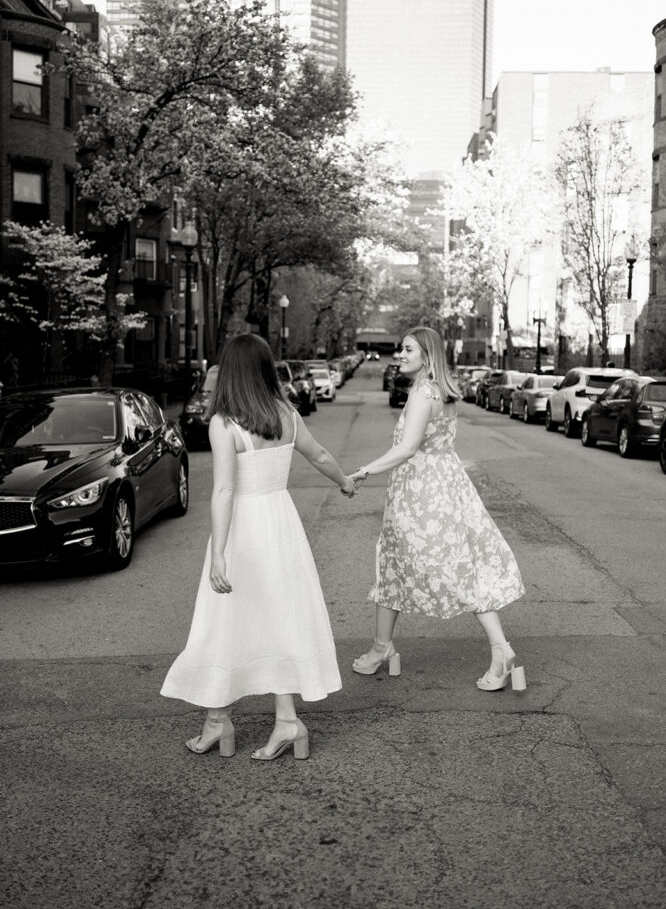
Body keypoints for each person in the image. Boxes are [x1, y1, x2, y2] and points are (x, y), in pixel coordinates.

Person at [161, 333, 357, 760]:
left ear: (229, 373)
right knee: (279, 618)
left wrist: (218, 552)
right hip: (281, 526)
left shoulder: (225, 424)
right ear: (267, 370)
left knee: (224, 621)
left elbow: (224, 490)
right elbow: (320, 455)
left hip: (244, 531)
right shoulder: (287, 414)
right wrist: (343, 481)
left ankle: (219, 722)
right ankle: (285, 720)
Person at [351, 326, 526, 692]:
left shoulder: (422, 393)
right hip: (446, 485)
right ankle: (382, 647)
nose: (400, 354)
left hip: (422, 496)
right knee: (397, 564)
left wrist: (364, 471)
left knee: (452, 571)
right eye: (401, 349)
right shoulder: (444, 393)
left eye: (408, 349)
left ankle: (502, 650)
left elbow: (407, 449)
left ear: (427, 357)